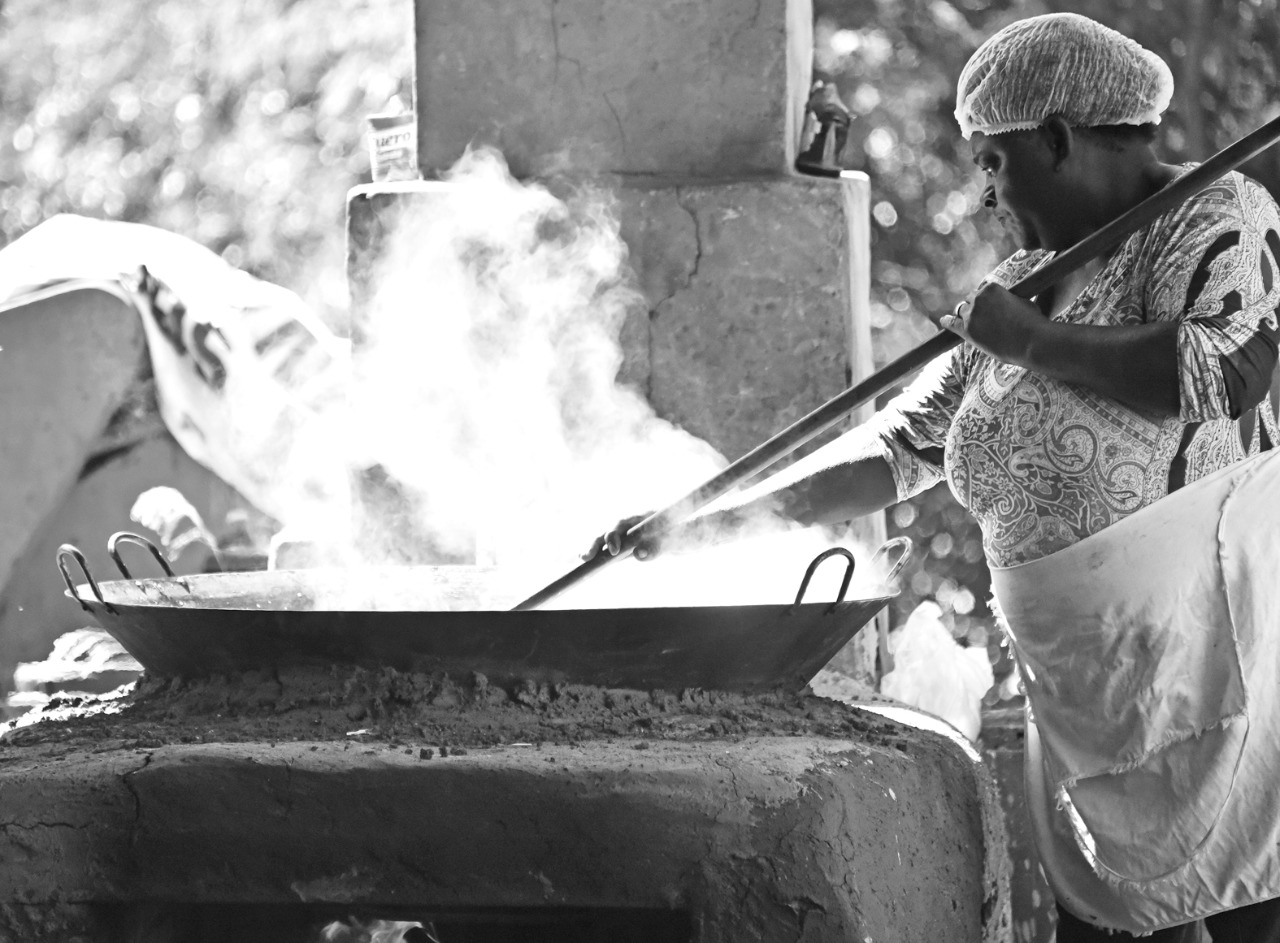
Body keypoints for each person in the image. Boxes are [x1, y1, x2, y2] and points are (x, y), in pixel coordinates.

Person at [588, 13, 1280, 941]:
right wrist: (705, 520)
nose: (988, 192)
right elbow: (893, 454)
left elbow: (1222, 371)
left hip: (1205, 666)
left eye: (994, 160)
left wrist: (1026, 341)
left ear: (1057, 138)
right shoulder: (1033, 278)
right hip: (1084, 684)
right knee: (1109, 920)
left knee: (1235, 906)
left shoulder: (1213, 215)